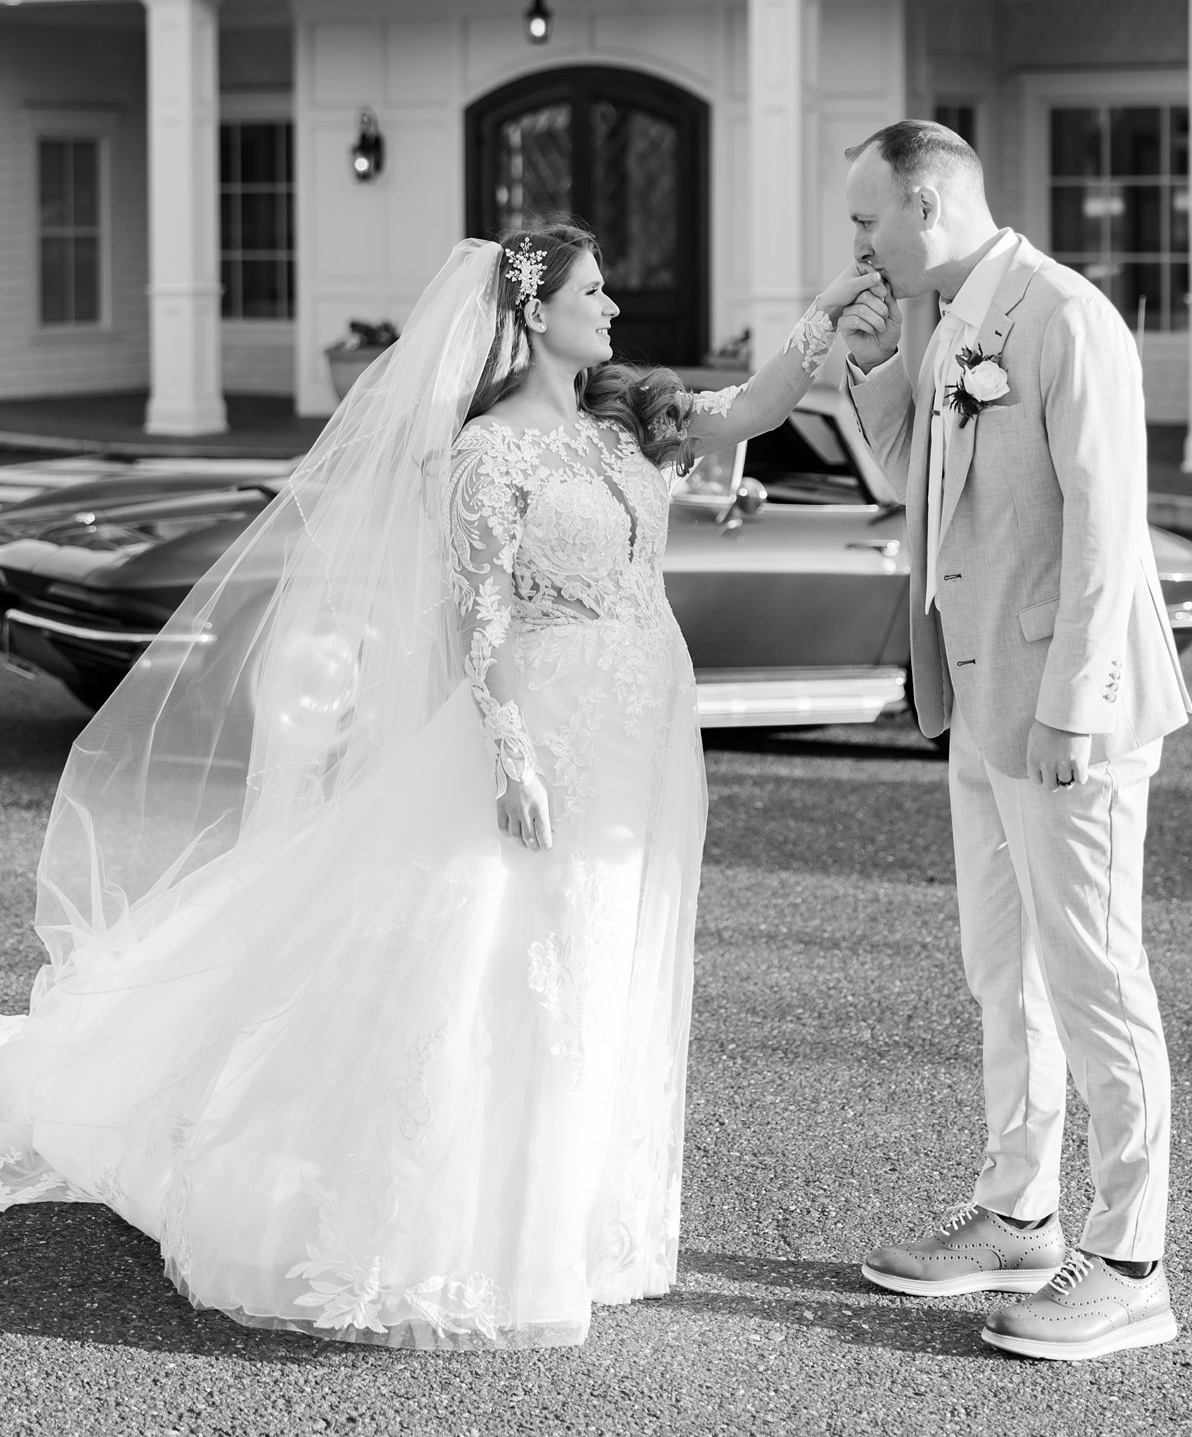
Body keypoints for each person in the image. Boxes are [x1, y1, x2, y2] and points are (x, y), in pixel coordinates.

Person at [0, 227, 870, 1351]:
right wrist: (511, 756)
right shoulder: (481, 455)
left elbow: (752, 409)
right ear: (532, 313)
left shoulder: (626, 421)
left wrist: (834, 300)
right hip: (547, 733)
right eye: (593, 293)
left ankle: (572, 1225)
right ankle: (461, 1235)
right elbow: (479, 614)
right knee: (505, 965)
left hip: (641, 734)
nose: (612, 309)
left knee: (605, 957)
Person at [836, 121, 1192, 1363]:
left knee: (1095, 975)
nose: (859, 244)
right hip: (980, 702)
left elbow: (1108, 519)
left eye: (866, 218)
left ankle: (1131, 1263)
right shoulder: (948, 325)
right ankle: (1016, 1211)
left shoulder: (1062, 316)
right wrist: (870, 365)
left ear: (925, 204)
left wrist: (1071, 706)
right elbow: (909, 488)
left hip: (1061, 711)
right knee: (1004, 970)